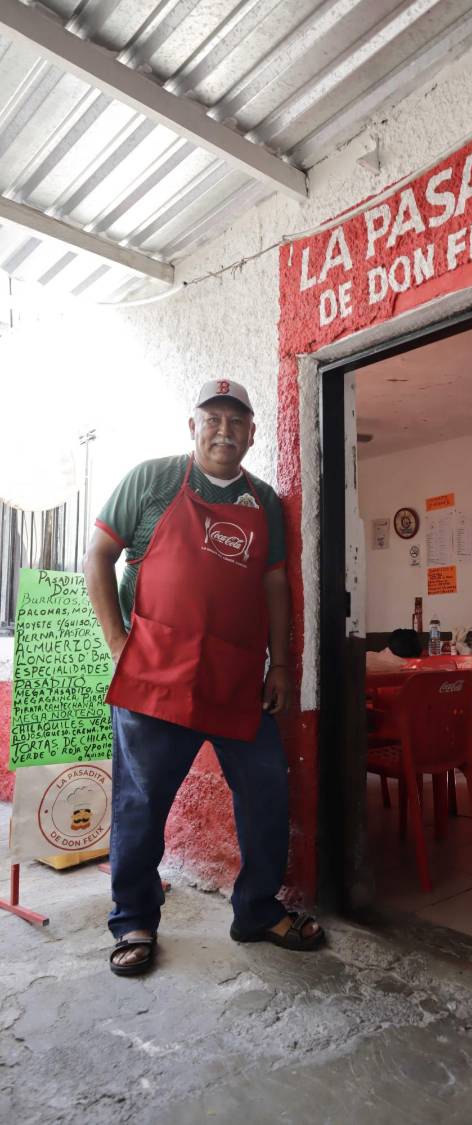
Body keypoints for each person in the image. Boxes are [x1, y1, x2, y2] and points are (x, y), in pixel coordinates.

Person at [84, 379, 324, 977]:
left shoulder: (263, 500)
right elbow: (96, 557)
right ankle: (134, 918)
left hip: (239, 682)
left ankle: (257, 911)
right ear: (192, 426)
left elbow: (274, 585)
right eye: (212, 418)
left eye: (236, 421)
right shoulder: (153, 480)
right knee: (141, 804)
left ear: (251, 433)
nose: (224, 430)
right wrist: (117, 642)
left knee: (267, 792)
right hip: (155, 679)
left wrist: (282, 665)